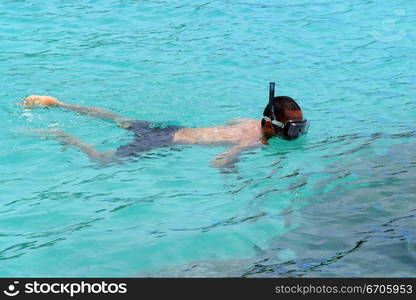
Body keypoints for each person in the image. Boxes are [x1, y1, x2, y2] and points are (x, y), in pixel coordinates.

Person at [22, 83, 309, 168]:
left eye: (300, 128)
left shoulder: (249, 122)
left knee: (115, 118)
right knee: (103, 161)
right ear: (270, 126)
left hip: (170, 128)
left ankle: (59, 104)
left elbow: (230, 123)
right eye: (292, 130)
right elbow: (218, 163)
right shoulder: (255, 141)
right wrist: (233, 170)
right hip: (164, 141)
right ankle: (62, 135)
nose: (296, 135)